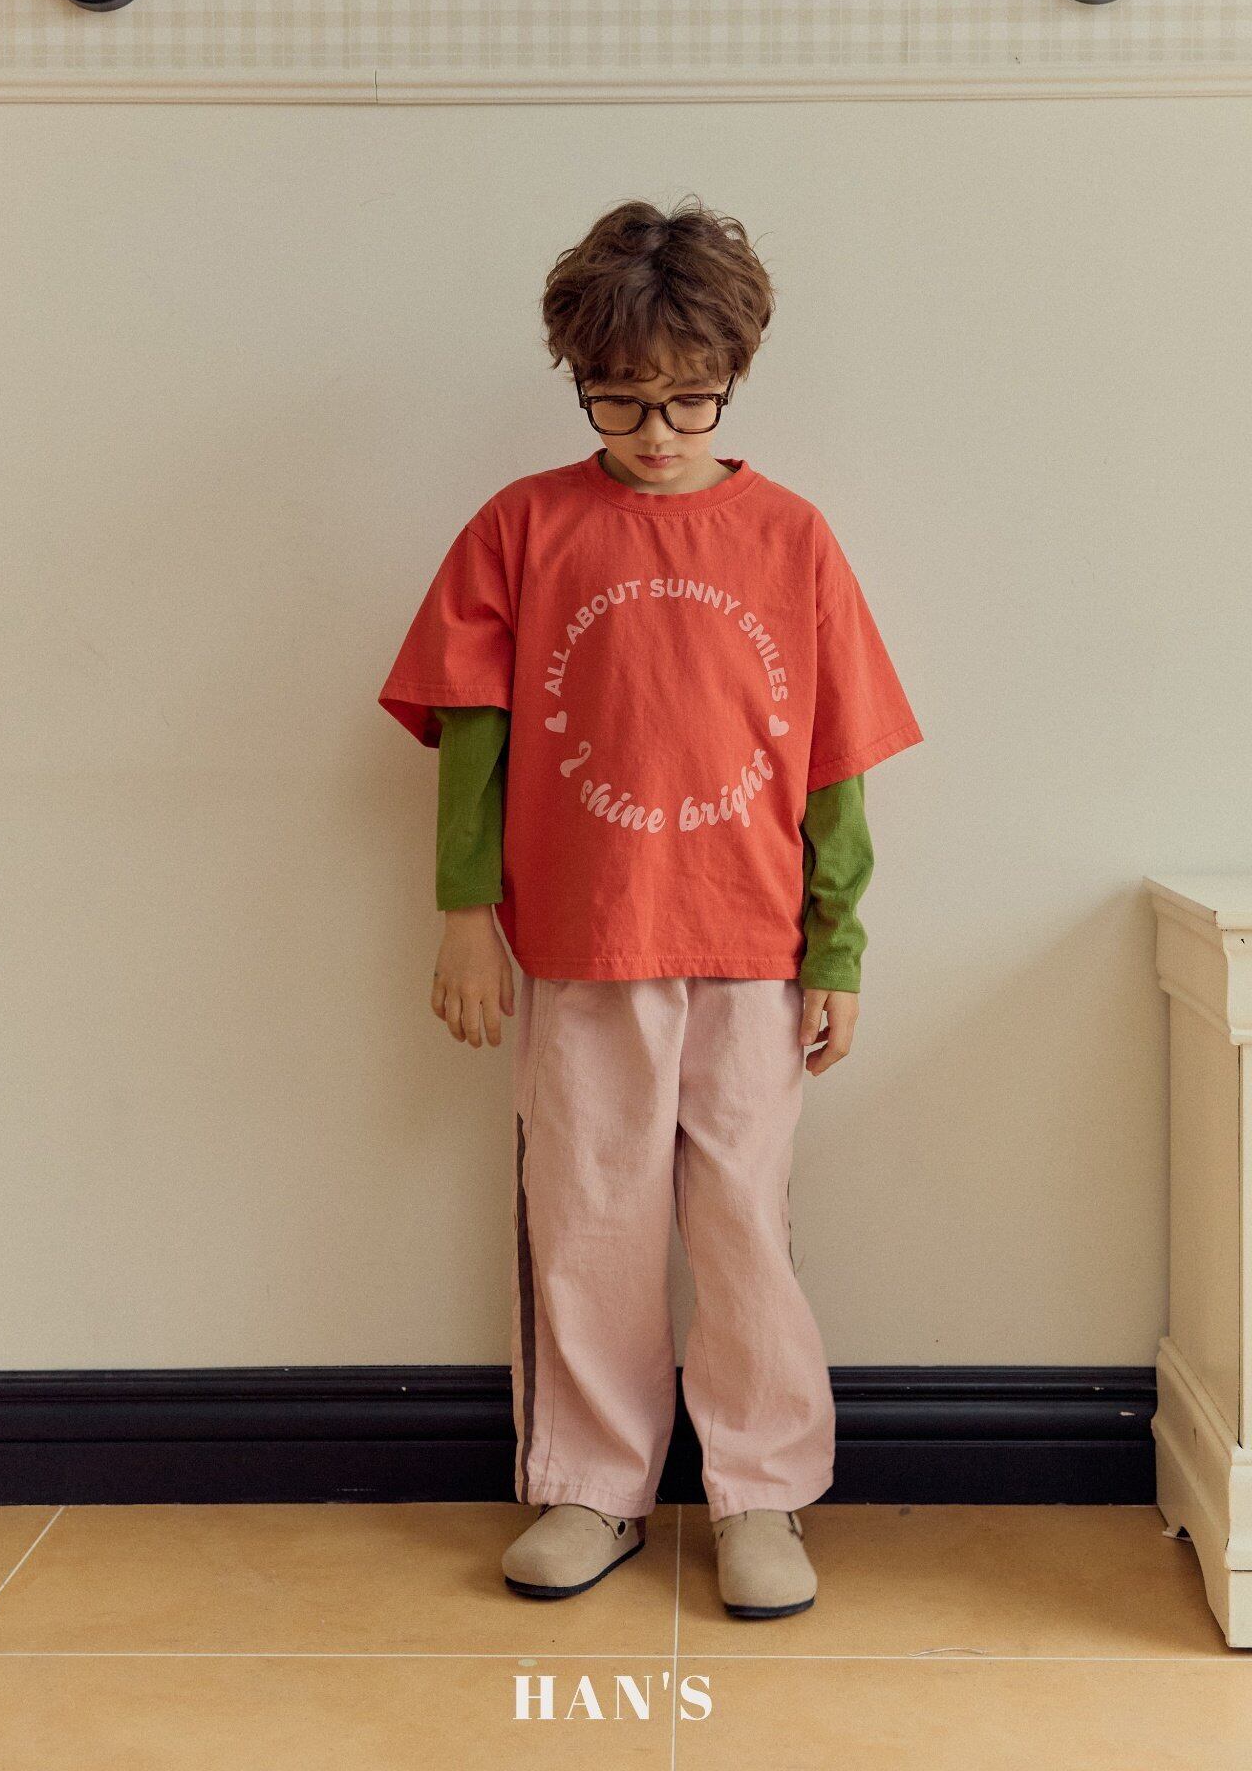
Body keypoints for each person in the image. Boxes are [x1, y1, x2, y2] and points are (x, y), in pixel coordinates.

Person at [376, 196, 923, 1618]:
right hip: (581, 941)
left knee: (743, 1220)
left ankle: (761, 1493)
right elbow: (473, 728)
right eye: (620, 398)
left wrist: (841, 947)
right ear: (578, 378)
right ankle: (592, 1485)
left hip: (754, 945)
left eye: (690, 398)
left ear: (732, 375)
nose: (658, 430)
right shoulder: (524, 527)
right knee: (589, 1213)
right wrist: (463, 913)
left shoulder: (792, 539)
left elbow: (837, 763)